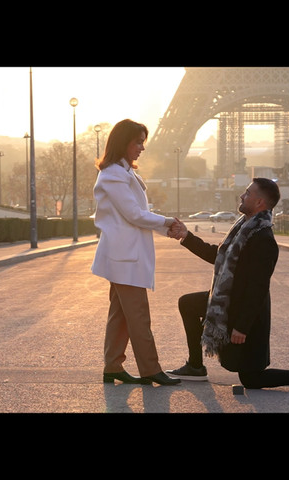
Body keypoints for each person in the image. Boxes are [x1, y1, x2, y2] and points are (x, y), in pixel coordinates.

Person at [165, 178, 289, 389]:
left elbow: (258, 289)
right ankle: (195, 366)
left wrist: (241, 327)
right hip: (230, 302)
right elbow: (218, 255)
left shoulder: (262, 238)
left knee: (252, 379)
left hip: (248, 316)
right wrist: (186, 236)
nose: (242, 196)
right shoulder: (243, 228)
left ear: (259, 202)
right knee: (188, 303)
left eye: (247, 193)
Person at [90, 119, 180, 386]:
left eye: (143, 141)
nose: (142, 147)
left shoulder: (122, 172)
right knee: (138, 316)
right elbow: (133, 214)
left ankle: (113, 366)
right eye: (137, 142)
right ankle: (151, 369)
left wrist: (165, 227)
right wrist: (167, 222)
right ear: (123, 143)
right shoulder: (114, 175)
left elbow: (135, 216)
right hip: (124, 257)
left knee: (120, 315)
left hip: (124, 255)